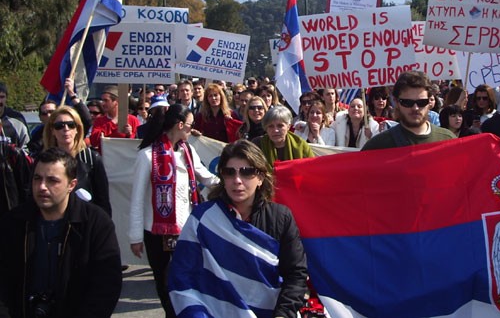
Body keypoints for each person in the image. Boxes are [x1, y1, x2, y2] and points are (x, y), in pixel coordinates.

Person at [168, 139, 308, 317]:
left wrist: (282, 314)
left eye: (247, 172)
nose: (237, 180)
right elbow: (182, 275)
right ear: (222, 177)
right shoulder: (203, 218)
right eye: (229, 172)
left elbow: (295, 274)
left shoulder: (281, 217)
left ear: (260, 178)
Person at [0, 148, 122, 318]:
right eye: (37, 179)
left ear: (71, 185)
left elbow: (107, 284)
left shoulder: (95, 222)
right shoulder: (14, 222)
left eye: (52, 180)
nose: (42, 187)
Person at [129, 104, 218, 318]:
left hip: (186, 229)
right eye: (189, 126)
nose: (191, 130)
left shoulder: (188, 152)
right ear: (179, 125)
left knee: (186, 279)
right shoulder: (148, 156)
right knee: (164, 282)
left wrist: (234, 182)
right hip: (156, 231)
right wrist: (135, 236)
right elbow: (137, 198)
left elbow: (206, 177)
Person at [43, 105, 112, 216]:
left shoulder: (92, 158)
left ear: (77, 129)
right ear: (52, 131)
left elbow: (103, 201)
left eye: (71, 125)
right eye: (59, 126)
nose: (66, 129)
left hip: (85, 223)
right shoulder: (43, 160)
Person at [362, 71, 456, 150]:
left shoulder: (448, 141)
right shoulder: (377, 146)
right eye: (407, 102)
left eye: (421, 102)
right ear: (396, 102)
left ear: (429, 102)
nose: (415, 108)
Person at [89, 85, 139, 152]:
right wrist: (111, 123)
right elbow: (94, 142)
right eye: (102, 100)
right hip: (105, 160)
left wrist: (129, 134)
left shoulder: (132, 120)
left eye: (106, 100)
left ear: (116, 102)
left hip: (126, 160)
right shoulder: (99, 121)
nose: (102, 103)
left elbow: (138, 143)